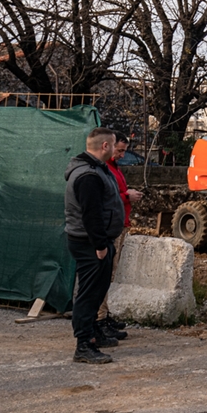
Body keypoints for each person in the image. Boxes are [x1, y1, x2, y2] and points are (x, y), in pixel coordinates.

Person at [64, 127, 126, 364]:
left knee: (97, 291)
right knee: (88, 295)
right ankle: (83, 344)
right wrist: (100, 245)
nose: (114, 149)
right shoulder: (88, 176)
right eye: (113, 145)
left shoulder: (97, 170)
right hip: (89, 244)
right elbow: (91, 214)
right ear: (105, 146)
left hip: (96, 242)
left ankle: (92, 335)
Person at [96, 132, 143, 340]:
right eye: (120, 150)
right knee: (104, 274)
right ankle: (99, 319)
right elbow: (108, 197)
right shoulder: (105, 169)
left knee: (110, 275)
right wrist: (127, 196)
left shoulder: (114, 169)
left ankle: (104, 315)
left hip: (119, 225)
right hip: (111, 228)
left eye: (124, 151)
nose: (122, 155)